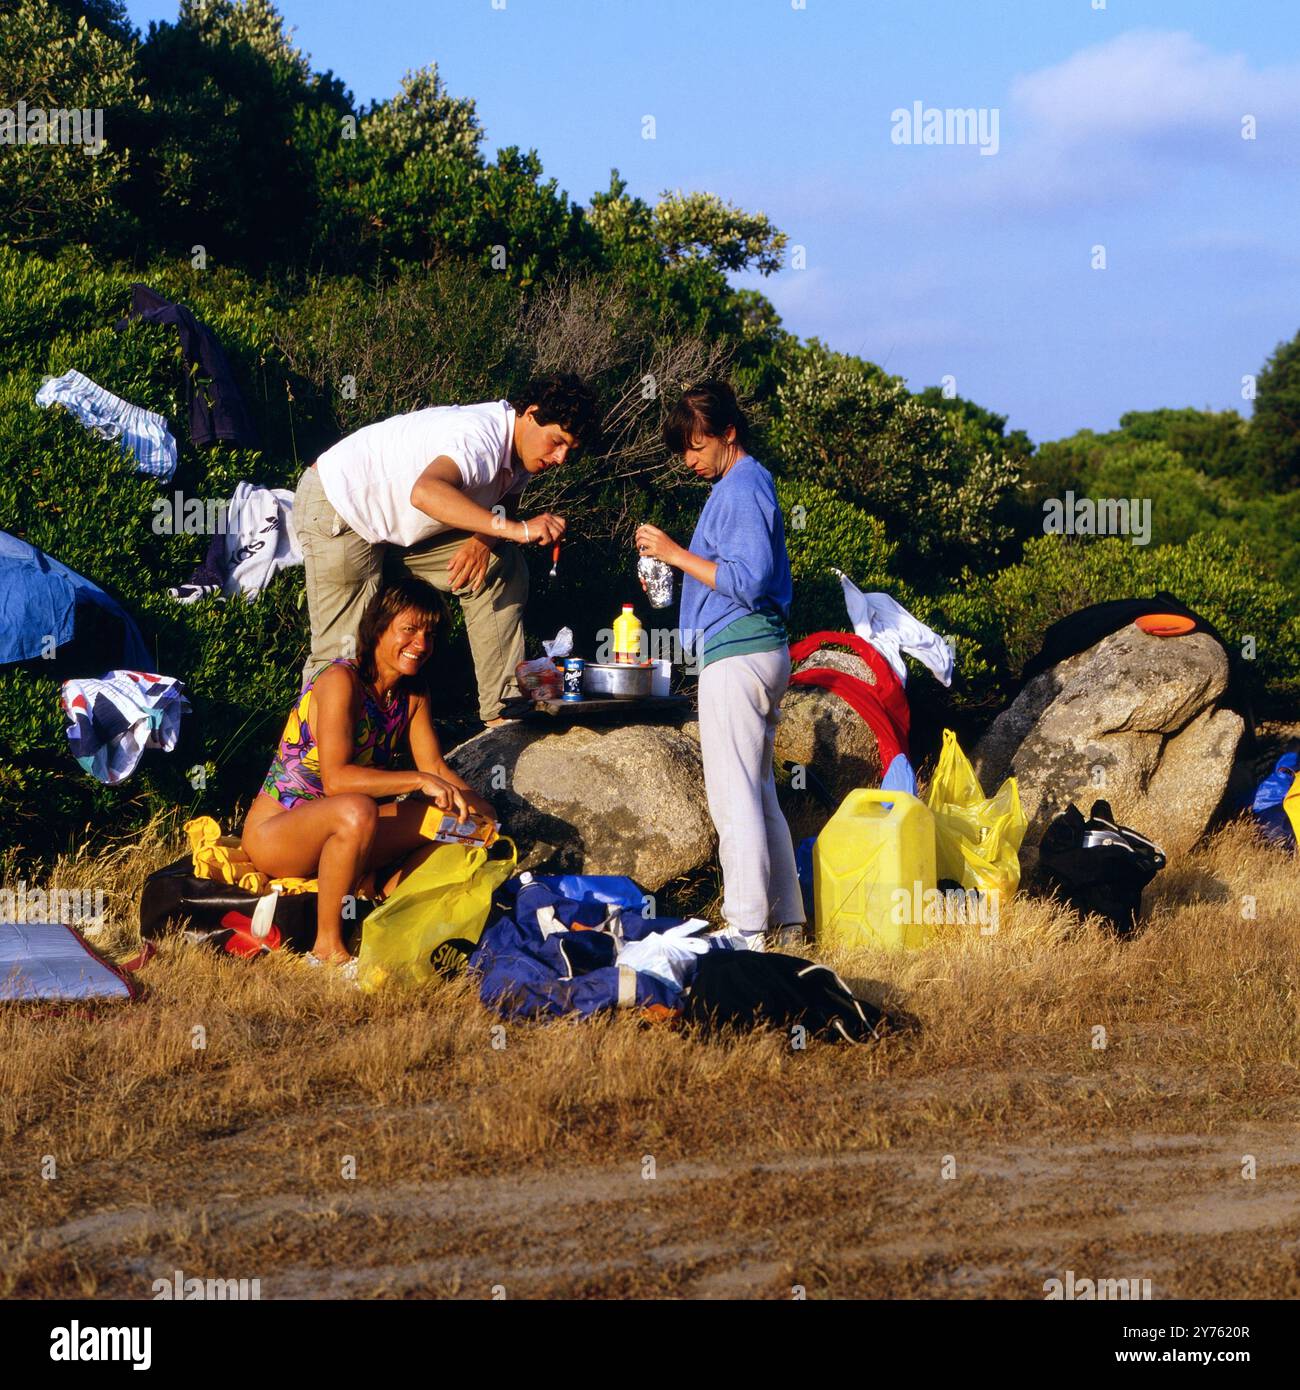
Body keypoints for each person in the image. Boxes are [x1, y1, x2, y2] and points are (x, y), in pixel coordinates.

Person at [294, 374, 600, 725]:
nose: (560, 457)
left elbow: (503, 507)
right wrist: (518, 531)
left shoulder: (524, 454)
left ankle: (504, 714)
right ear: (530, 414)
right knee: (344, 650)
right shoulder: (480, 439)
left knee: (501, 565)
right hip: (342, 506)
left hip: (396, 527)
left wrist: (483, 541)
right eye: (557, 442)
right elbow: (425, 492)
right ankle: (312, 764)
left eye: (569, 451)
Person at [242, 573, 496, 967]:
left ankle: (385, 910)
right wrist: (417, 781)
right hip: (279, 833)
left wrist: (481, 809)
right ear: (379, 627)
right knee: (356, 807)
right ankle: (326, 949)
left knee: (464, 826)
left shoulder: (412, 694)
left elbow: (434, 766)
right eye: (408, 630)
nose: (420, 644)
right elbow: (336, 780)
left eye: (429, 634)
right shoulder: (340, 680)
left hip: (351, 828)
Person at [634, 382, 804, 951]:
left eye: (695, 446)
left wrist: (676, 554)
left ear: (727, 433)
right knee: (757, 789)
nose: (689, 460)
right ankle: (785, 921)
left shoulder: (741, 487)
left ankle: (748, 927)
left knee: (733, 793)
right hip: (758, 650)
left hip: (738, 653)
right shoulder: (748, 483)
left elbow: (747, 579)